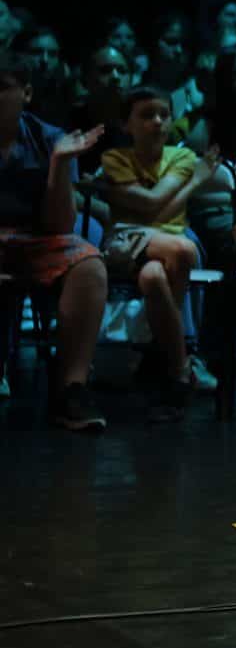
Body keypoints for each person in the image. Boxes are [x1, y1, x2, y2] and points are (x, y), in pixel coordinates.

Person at [94, 85, 225, 423]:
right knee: (183, 249)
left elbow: (153, 209)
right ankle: (179, 364)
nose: (157, 122)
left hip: (165, 239)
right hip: (128, 239)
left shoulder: (180, 157)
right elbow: (155, 206)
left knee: (154, 277)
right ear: (127, 124)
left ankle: (163, 365)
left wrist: (130, 198)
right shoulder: (115, 159)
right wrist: (195, 182)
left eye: (164, 115)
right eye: (146, 115)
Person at [0, 56, 109, 430]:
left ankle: (71, 389)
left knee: (88, 263)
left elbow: (60, 224)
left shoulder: (49, 139)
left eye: (2, 88)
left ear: (26, 93)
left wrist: (60, 164)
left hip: (36, 239)